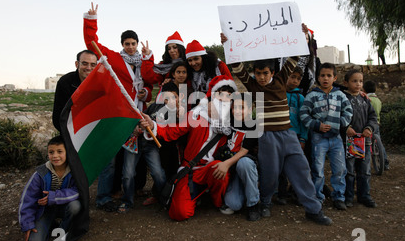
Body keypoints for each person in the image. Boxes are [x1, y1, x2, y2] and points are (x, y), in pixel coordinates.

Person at [232, 58, 333, 225]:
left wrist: (302, 35)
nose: (262, 77)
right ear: (254, 74)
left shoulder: (280, 79)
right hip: (267, 137)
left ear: (272, 73)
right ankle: (265, 203)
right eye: (258, 74)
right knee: (269, 174)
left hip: (288, 135)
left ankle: (313, 209)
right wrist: (229, 43)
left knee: (302, 170)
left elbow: (294, 58)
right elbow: (238, 69)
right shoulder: (253, 86)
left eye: (265, 73)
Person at [83, 2, 152, 211]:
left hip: (139, 115)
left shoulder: (144, 60)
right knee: (111, 157)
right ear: (122, 44)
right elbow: (92, 43)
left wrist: (146, 92)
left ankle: (132, 191)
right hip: (118, 114)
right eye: (127, 43)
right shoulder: (113, 58)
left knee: (135, 157)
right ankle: (105, 196)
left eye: (133, 43)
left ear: (138, 44)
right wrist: (91, 20)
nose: (130, 46)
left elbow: (151, 80)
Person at [140, 75, 237, 221]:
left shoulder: (233, 123)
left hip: (211, 168)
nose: (224, 99)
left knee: (219, 168)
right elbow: (172, 131)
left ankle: (216, 201)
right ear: (212, 96)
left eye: (228, 96)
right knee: (179, 213)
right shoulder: (196, 115)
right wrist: (153, 125)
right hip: (190, 169)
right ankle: (194, 194)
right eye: (220, 94)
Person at [118, 82, 184, 212]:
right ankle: (127, 201)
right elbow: (140, 118)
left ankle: (164, 198)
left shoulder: (178, 115)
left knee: (158, 173)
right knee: (128, 174)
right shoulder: (155, 106)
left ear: (179, 98)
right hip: (135, 142)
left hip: (151, 146)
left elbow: (170, 132)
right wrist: (137, 126)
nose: (170, 100)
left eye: (174, 97)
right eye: (167, 97)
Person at [300, 63, 353, 210]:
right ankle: (318, 197)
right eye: (322, 75)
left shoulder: (340, 95)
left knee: (340, 169)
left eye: (329, 76)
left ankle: (339, 197)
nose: (325, 78)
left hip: (336, 139)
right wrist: (317, 125)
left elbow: (348, 112)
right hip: (318, 138)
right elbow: (303, 114)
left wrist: (339, 123)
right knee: (317, 169)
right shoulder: (312, 95)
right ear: (318, 77)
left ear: (334, 78)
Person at [18, 136, 81, 241]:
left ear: (68, 152)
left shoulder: (74, 170)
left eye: (59, 151)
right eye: (51, 152)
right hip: (44, 210)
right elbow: (27, 199)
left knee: (75, 206)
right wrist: (27, 224)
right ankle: (51, 223)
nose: (55, 156)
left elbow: (78, 191)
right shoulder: (40, 174)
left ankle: (63, 230)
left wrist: (53, 197)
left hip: (65, 207)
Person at [220, 92, 262, 221]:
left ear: (251, 108)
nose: (237, 111)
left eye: (242, 107)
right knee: (234, 205)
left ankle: (253, 203)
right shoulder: (229, 121)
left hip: (244, 164)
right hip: (233, 169)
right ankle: (244, 190)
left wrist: (226, 164)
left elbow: (243, 151)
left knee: (244, 163)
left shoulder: (254, 125)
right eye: (235, 107)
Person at [343, 69, 379, 208]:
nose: (358, 84)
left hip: (364, 141)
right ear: (346, 83)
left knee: (364, 170)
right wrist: (346, 128)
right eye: (354, 81)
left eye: (360, 81)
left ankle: (364, 196)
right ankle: (349, 196)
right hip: (349, 142)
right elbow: (338, 116)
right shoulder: (342, 98)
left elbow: (373, 117)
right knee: (349, 171)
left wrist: (369, 128)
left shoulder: (365, 99)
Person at [276, 67, 309, 205]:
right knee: (280, 166)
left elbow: (303, 120)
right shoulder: (277, 93)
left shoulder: (300, 97)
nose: (295, 81)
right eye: (292, 77)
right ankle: (281, 193)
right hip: (278, 135)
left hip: (295, 136)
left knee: (297, 166)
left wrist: (303, 138)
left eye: (298, 78)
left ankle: (297, 193)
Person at [52, 50, 98, 131]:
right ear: (77, 64)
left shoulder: (102, 83)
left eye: (93, 65)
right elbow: (59, 115)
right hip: (72, 131)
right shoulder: (65, 82)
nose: (88, 68)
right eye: (85, 63)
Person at [185, 40, 232, 105]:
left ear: (203, 58)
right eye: (190, 60)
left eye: (196, 59)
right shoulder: (190, 71)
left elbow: (230, 85)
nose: (193, 63)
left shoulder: (219, 66)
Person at [363, 80, 390, 170]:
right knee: (380, 144)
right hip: (377, 124)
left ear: (364, 89)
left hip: (367, 125)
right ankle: (385, 162)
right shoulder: (378, 100)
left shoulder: (367, 99)